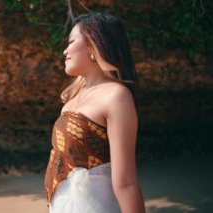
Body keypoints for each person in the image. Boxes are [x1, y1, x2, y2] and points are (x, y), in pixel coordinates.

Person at [44, 12, 146, 213]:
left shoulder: (116, 96)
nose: (65, 50)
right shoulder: (73, 98)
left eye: (72, 41)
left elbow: (126, 182)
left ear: (94, 45)